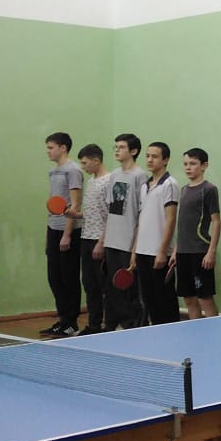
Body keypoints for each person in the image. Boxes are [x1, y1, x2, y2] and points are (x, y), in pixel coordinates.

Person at [101, 133, 148, 330]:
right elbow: (112, 210)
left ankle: (132, 327)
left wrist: (136, 247)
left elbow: (142, 213)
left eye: (121, 147)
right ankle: (112, 325)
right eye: (116, 147)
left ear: (133, 151)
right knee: (112, 288)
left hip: (128, 243)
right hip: (112, 241)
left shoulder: (140, 176)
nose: (117, 151)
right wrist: (103, 240)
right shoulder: (114, 175)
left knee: (129, 290)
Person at [132, 141, 179, 325]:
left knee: (164, 300)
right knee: (150, 300)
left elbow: (171, 219)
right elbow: (142, 220)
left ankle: (172, 334)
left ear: (165, 160)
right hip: (142, 252)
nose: (150, 160)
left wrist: (162, 250)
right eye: (148, 156)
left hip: (159, 253)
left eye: (155, 156)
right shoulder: (144, 186)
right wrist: (135, 250)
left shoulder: (170, 184)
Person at [42, 132, 83, 337]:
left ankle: (71, 323)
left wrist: (67, 234)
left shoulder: (73, 170)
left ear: (63, 148)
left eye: (51, 147)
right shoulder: (53, 171)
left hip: (69, 231)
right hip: (53, 229)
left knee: (69, 278)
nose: (48, 151)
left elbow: (75, 206)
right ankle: (62, 319)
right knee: (55, 278)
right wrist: (48, 234)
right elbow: (53, 204)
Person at [172, 147, 221, 319]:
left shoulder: (209, 189)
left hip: (200, 252)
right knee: (189, 299)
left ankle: (214, 332)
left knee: (204, 298)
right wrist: (176, 250)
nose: (188, 167)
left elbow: (216, 221)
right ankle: (195, 332)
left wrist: (211, 252)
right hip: (183, 253)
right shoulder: (184, 190)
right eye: (185, 164)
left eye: (193, 164)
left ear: (204, 165)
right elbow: (183, 225)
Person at [76, 143, 112, 335]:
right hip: (86, 237)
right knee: (89, 285)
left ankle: (110, 325)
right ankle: (94, 325)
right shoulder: (91, 181)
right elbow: (93, 212)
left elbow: (111, 215)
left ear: (96, 160)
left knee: (104, 286)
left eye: (85, 163)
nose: (83, 167)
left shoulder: (110, 181)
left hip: (100, 240)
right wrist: (76, 215)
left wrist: (102, 242)